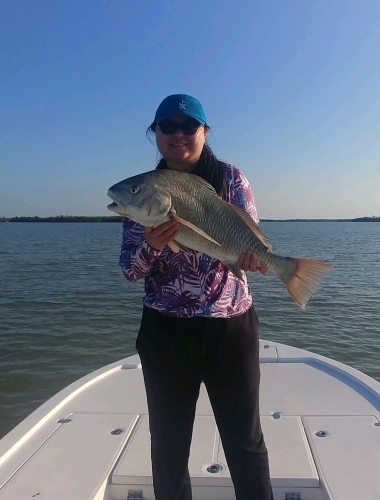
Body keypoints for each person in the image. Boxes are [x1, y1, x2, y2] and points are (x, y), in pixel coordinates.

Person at [118, 93, 274, 500]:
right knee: (168, 446)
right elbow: (130, 270)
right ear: (155, 133)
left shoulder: (232, 179)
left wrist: (255, 258)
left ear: (205, 131)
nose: (179, 134)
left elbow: (249, 238)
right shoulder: (143, 192)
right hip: (166, 332)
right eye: (168, 126)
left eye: (189, 126)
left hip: (230, 328)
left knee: (245, 441)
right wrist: (152, 246)